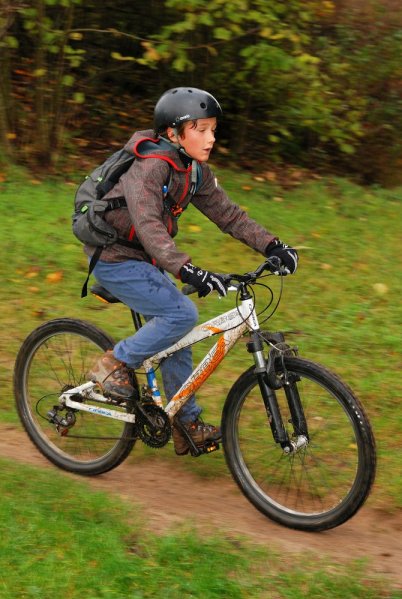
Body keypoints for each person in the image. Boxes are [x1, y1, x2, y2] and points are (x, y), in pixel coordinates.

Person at [87, 87, 298, 455]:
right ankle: (114, 362)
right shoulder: (149, 168)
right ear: (173, 133)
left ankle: (184, 423)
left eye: (214, 129)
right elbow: (150, 226)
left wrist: (272, 246)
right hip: (114, 258)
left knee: (178, 334)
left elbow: (229, 215)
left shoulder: (193, 171)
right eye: (201, 129)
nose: (211, 138)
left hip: (148, 261)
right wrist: (188, 270)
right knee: (180, 313)